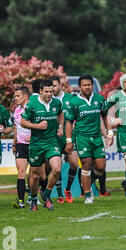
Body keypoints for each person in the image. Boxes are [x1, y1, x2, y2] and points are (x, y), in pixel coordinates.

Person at [65, 75, 114, 204]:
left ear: (92, 86)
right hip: (82, 137)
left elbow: (105, 116)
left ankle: (87, 181)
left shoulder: (99, 99)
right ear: (80, 87)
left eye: (89, 85)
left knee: (100, 167)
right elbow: (69, 122)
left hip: (97, 137)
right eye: (85, 85)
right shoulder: (74, 102)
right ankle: (87, 195)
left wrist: (109, 133)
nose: (87, 87)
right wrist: (69, 140)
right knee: (86, 163)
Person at [21, 79, 64, 211]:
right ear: (40, 91)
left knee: (56, 169)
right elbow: (23, 122)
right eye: (46, 91)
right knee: (35, 175)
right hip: (36, 143)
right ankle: (34, 199)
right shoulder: (32, 104)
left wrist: (61, 126)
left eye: (51, 91)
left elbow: (61, 114)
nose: (49, 94)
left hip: (52, 142)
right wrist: (37, 126)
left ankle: (46, 194)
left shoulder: (57, 102)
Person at [50, 75, 80, 203]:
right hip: (54, 137)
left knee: (74, 163)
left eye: (54, 86)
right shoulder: (48, 100)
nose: (52, 89)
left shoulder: (70, 98)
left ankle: (68, 189)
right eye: (50, 87)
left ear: (60, 85)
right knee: (57, 166)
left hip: (69, 137)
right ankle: (59, 194)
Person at [11, 86, 32, 208]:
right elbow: (16, 128)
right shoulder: (17, 111)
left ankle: (35, 197)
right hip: (20, 145)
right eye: (15, 96)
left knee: (37, 174)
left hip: (34, 144)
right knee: (21, 172)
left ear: (25, 96)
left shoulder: (33, 108)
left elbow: (41, 125)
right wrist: (14, 144)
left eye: (18, 96)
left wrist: (33, 136)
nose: (16, 98)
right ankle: (20, 201)